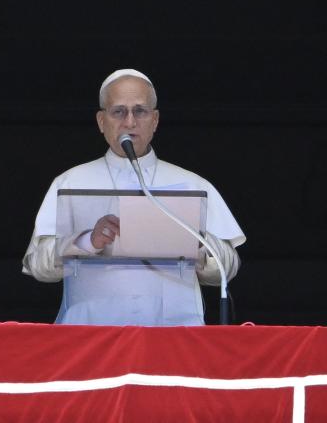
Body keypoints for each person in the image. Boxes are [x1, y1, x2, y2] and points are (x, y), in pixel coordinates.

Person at [23, 68, 245, 325]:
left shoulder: (193, 184)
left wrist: (193, 242)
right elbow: (38, 265)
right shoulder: (70, 182)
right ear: (101, 121)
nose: (130, 122)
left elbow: (228, 266)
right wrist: (87, 241)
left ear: (155, 120)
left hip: (175, 334)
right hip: (90, 334)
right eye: (118, 111)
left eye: (140, 111)